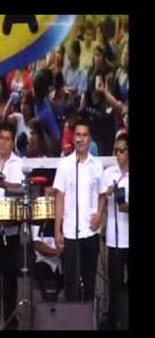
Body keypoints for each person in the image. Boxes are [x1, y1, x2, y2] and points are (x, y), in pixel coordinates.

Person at [53, 118, 107, 302]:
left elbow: (103, 194)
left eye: (84, 135)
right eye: (77, 135)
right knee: (71, 283)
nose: (80, 139)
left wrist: (99, 215)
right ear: (73, 137)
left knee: (90, 281)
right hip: (70, 231)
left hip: (90, 230)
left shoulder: (97, 165)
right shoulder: (65, 164)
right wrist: (57, 229)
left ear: (90, 139)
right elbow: (59, 197)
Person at [0, 121, 24, 330]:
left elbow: (21, 190)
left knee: (10, 282)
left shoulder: (18, 164)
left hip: (11, 230)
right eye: (0, 138)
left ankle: (10, 324)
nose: (3, 142)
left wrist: (3, 184)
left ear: (13, 142)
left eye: (7, 139)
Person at [103, 133, 129, 330]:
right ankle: (113, 321)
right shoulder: (109, 173)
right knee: (114, 284)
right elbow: (101, 198)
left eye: (122, 150)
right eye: (116, 151)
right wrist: (107, 194)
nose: (118, 154)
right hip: (114, 237)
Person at [31, 186, 64, 302]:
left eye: (54, 195)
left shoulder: (65, 218)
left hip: (62, 263)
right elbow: (38, 245)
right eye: (48, 195)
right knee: (41, 270)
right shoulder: (38, 219)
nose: (51, 199)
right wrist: (57, 252)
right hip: (44, 262)